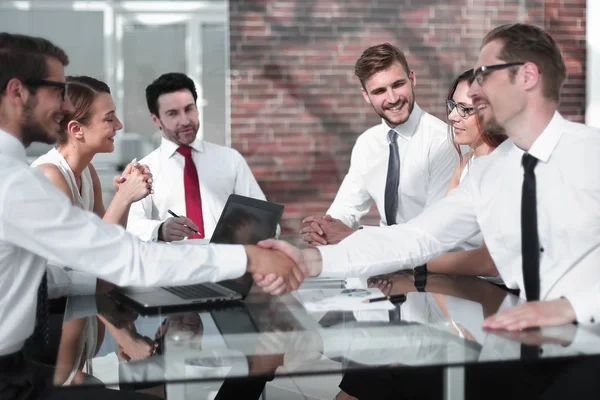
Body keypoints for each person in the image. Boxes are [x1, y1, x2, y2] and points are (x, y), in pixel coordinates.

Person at [0, 32, 303, 399]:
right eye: (58, 91)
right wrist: (248, 256)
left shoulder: (18, 172)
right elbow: (117, 255)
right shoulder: (17, 181)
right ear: (17, 92)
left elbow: (62, 269)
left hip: (26, 360)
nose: (65, 106)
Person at [257, 23, 600, 331]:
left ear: (526, 77)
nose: (475, 91)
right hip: (518, 329)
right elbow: (415, 238)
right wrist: (307, 260)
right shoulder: (489, 171)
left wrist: (570, 306)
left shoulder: (591, 154)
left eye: (485, 74)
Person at [30, 75, 157, 386]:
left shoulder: (85, 172)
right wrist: (125, 197)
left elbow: (112, 249)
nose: (120, 126)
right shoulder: (49, 178)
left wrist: (122, 199)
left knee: (151, 375)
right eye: (109, 118)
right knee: (149, 380)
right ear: (76, 129)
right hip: (44, 353)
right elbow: (89, 264)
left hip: (76, 336)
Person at [300, 43, 456, 246]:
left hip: (433, 263)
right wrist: (324, 228)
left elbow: (434, 230)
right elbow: (347, 207)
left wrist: (353, 236)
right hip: (385, 260)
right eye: (380, 91)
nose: (392, 99)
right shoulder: (367, 143)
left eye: (398, 84)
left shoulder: (443, 142)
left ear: (412, 79)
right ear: (366, 95)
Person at [371, 70, 507, 292]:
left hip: (509, 301)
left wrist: (409, 264)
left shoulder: (505, 168)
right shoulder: (465, 164)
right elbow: (434, 235)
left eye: (465, 109)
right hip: (469, 293)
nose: (453, 116)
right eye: (452, 105)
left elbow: (489, 263)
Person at [126, 72, 270, 243]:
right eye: (173, 114)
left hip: (227, 263)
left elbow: (265, 218)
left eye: (189, 109)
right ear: (156, 120)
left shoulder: (231, 160)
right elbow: (130, 226)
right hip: (171, 265)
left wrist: (255, 227)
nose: (185, 120)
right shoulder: (144, 169)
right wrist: (160, 229)